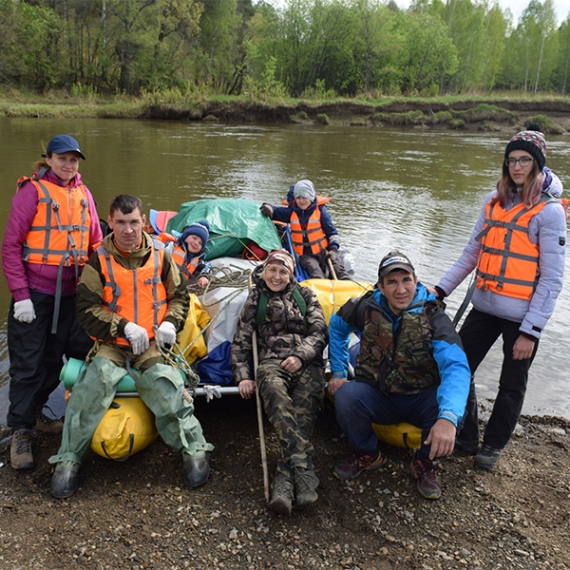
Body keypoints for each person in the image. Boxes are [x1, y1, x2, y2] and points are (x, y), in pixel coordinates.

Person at [49, 194, 213, 499]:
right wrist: (122, 327)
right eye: (121, 222)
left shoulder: (162, 258)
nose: (128, 230)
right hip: (113, 343)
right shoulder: (98, 261)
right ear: (110, 222)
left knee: (166, 386)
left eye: (134, 222)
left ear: (143, 223)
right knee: (90, 387)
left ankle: (194, 450)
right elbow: (86, 310)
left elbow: (179, 298)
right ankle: (68, 459)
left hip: (152, 343)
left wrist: (170, 324)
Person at [434, 127, 567, 470]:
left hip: (521, 317)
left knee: (511, 383)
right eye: (512, 160)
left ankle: (492, 445)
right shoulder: (492, 202)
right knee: (458, 366)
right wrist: (441, 289)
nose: (517, 166)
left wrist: (531, 331)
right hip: (484, 306)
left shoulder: (549, 212)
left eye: (524, 160)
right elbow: (471, 254)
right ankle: (465, 436)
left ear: (537, 165)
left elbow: (552, 279)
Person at [328, 251, 470, 500]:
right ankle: (368, 455)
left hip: (419, 398)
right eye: (392, 282)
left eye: (406, 280)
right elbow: (337, 326)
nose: (400, 289)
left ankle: (424, 464)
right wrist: (339, 371)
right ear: (381, 286)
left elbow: (456, 367)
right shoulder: (365, 306)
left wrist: (448, 417)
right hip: (379, 394)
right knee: (346, 395)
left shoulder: (434, 316)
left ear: (416, 280)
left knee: (454, 407)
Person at [1, 134, 103, 470]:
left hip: (73, 296)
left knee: (71, 354)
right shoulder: (31, 192)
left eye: (73, 160)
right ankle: (20, 431)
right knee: (27, 364)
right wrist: (20, 296)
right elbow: (11, 247)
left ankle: (39, 413)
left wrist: (103, 289)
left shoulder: (84, 194)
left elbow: (96, 246)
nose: (68, 165)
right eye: (62, 158)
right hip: (35, 296)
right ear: (49, 159)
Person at [231, 249, 328, 515]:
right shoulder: (256, 298)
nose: (276, 276)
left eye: (283, 271)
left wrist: (301, 356)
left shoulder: (306, 295)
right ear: (264, 271)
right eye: (272, 270)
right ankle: (304, 469)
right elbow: (241, 340)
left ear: (291, 273)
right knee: (273, 391)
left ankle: (284, 482)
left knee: (303, 409)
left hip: (306, 361)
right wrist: (243, 375)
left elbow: (320, 333)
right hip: (271, 361)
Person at [260, 180, 350, 280]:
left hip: (324, 251)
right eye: (298, 198)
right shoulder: (291, 212)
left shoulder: (321, 211)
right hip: (306, 255)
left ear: (311, 197)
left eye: (304, 197)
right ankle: (320, 292)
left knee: (339, 269)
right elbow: (276, 212)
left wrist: (333, 250)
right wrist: (269, 208)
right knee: (315, 272)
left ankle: (352, 290)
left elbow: (332, 233)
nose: (301, 201)